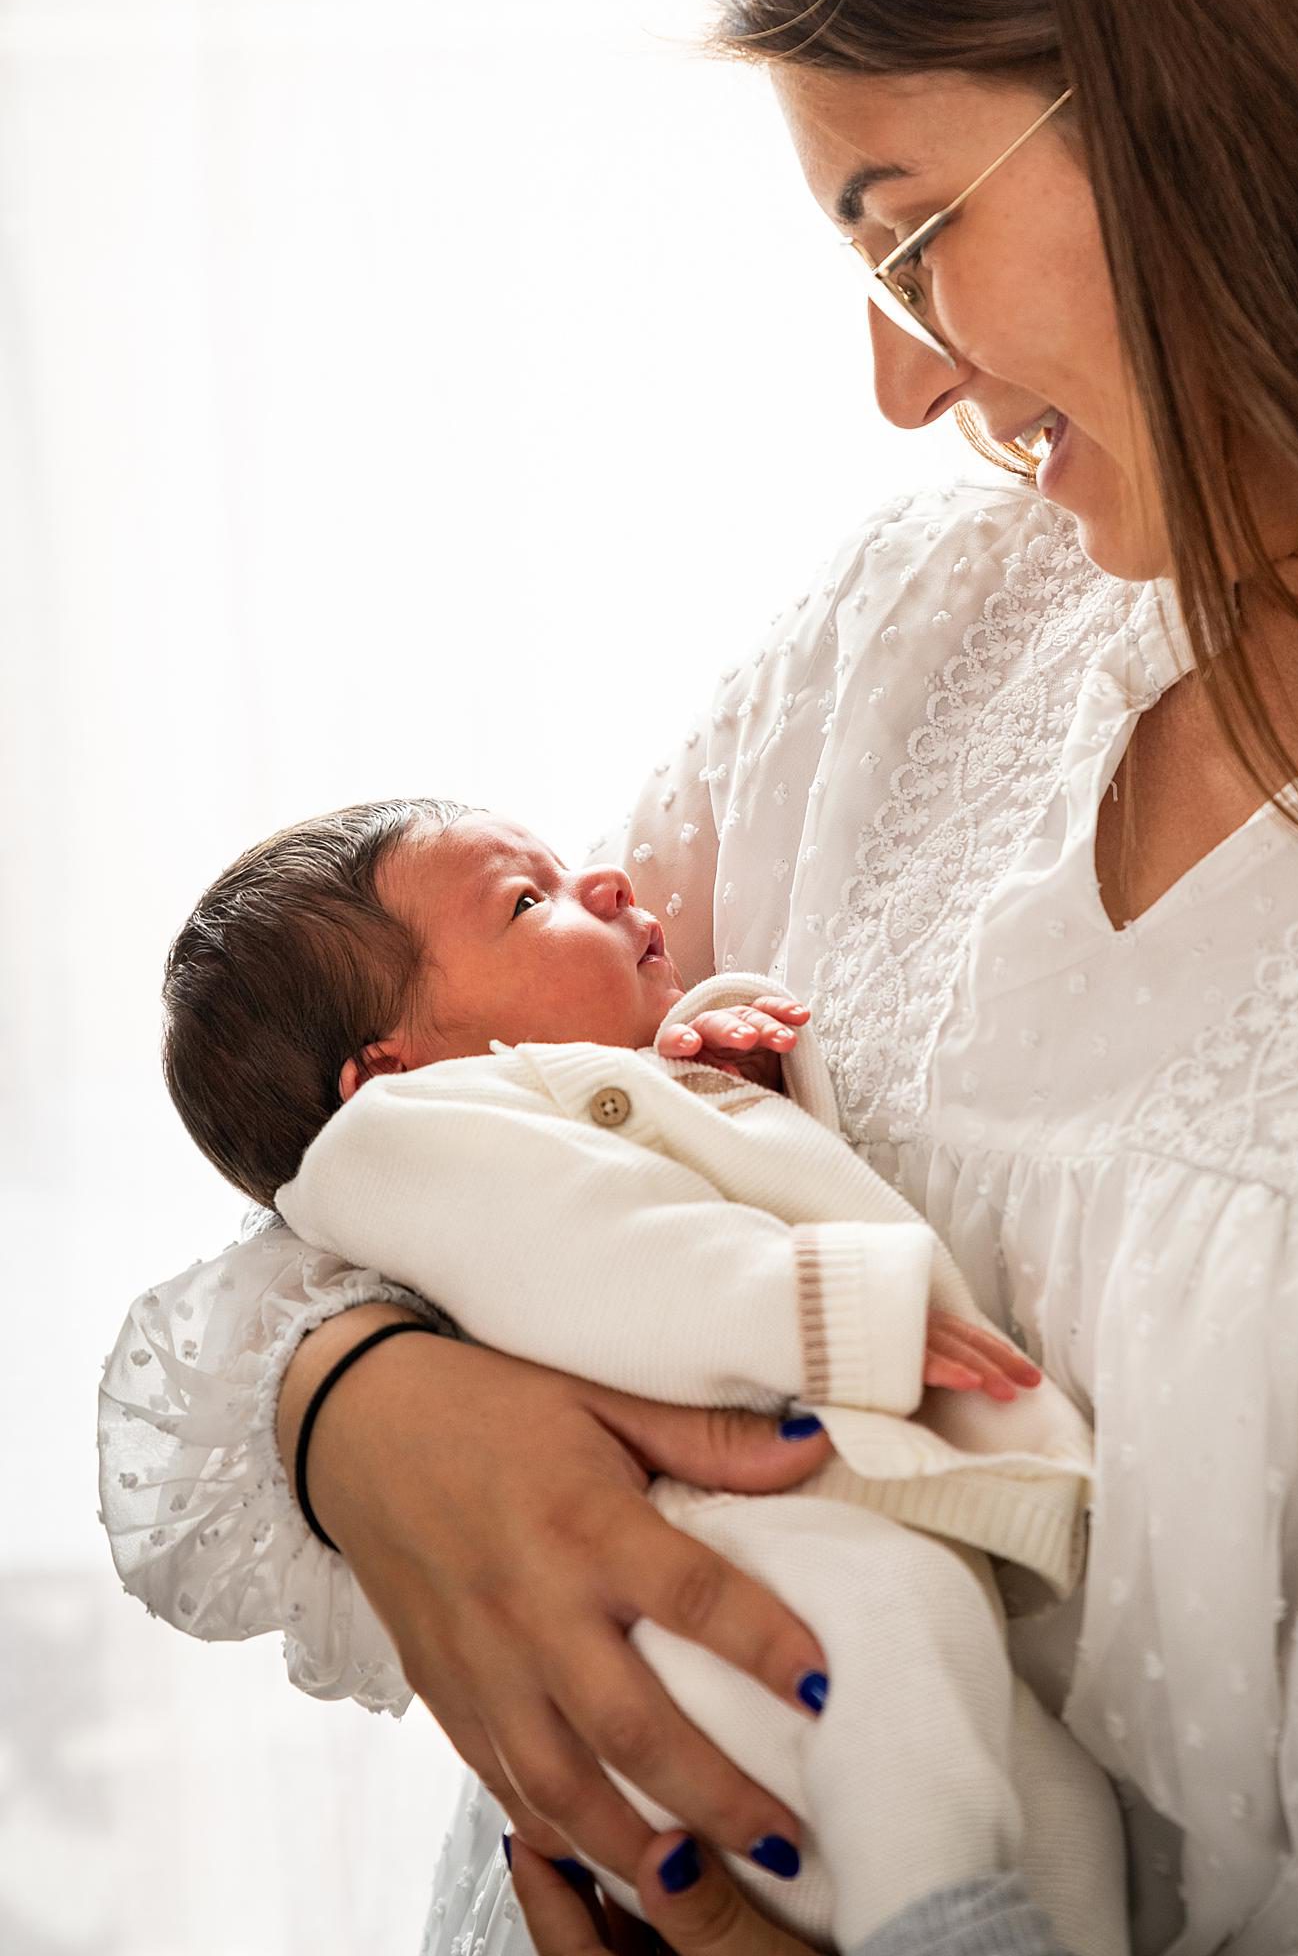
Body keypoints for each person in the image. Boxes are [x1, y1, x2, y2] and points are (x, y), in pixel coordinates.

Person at [98, 0, 1298, 1956]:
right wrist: (362, 1405)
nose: (901, 388)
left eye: (910, 236)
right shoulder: (898, 643)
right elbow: (396, 1108)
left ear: (1220, 82)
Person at [155, 795, 1129, 1956]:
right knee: (895, 1660)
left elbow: (659, 1185)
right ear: (389, 1076)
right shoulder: (413, 1145)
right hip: (712, 1572)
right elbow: (615, 1264)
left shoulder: (507, 1125)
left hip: (749, 1579)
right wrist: (826, 1314)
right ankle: (948, 1921)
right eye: (528, 904)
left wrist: (712, 1079)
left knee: (1051, 1811)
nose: (608, 884)